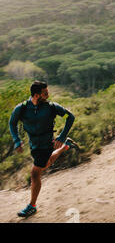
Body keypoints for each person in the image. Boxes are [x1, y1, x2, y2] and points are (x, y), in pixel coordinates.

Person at [9, 80, 76, 218]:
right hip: (34, 145)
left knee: (35, 173)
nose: (48, 95)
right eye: (45, 93)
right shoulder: (21, 108)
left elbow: (70, 117)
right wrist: (17, 140)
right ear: (36, 95)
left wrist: (62, 136)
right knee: (45, 165)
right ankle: (66, 147)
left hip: (47, 143)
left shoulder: (51, 107)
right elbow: (12, 123)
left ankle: (32, 206)